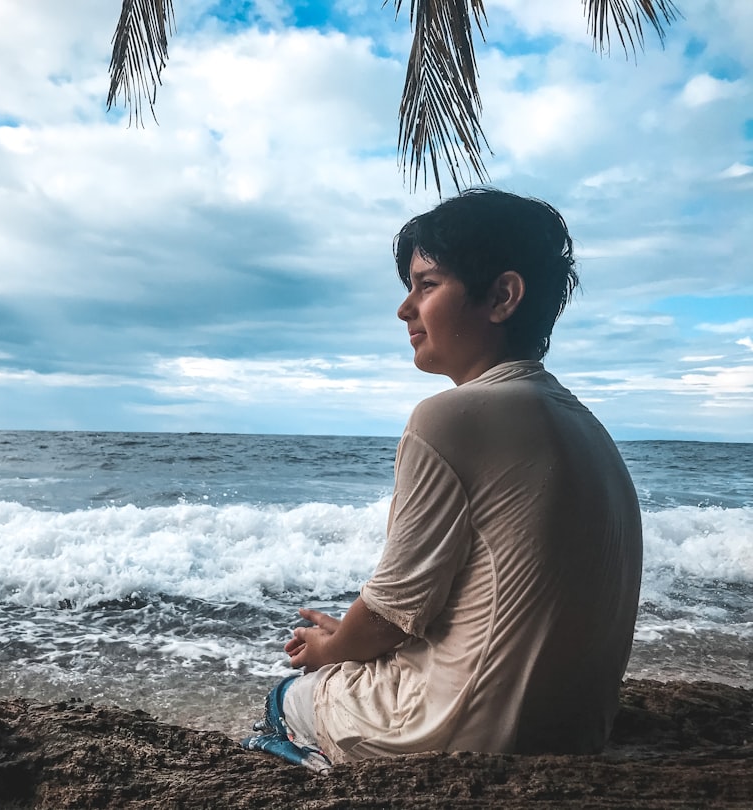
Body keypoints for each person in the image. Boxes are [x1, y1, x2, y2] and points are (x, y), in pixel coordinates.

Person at [242, 187, 643, 768]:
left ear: (502, 296)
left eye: (426, 285)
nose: (405, 309)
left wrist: (332, 649)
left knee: (286, 698)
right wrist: (348, 643)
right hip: (576, 732)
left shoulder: (446, 418)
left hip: (465, 736)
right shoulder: (584, 424)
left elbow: (388, 615)